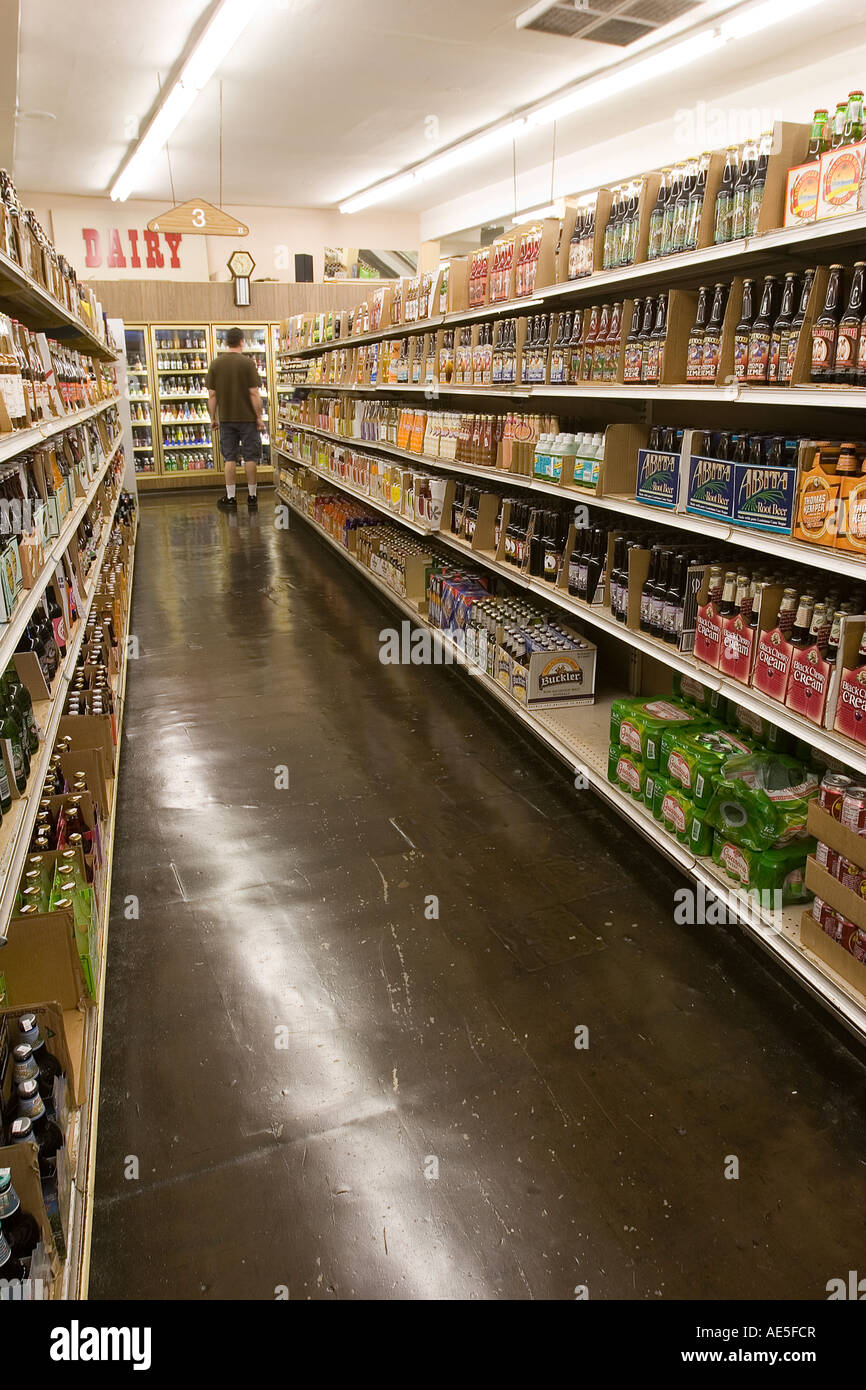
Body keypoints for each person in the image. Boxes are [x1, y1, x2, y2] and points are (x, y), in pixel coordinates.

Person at [207, 327, 264, 510]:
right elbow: (254, 393)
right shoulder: (247, 363)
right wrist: (259, 417)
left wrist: (212, 417)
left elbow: (212, 396)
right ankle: (252, 496)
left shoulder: (216, 364)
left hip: (226, 419)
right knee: (250, 457)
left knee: (229, 458)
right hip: (247, 419)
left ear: (226, 342)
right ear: (241, 341)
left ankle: (231, 498)